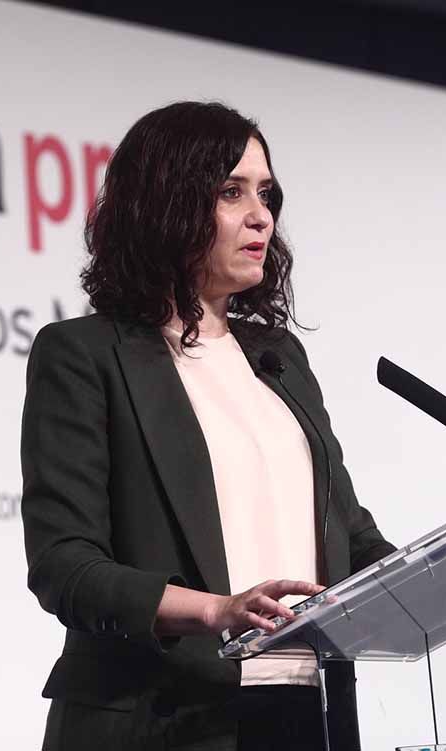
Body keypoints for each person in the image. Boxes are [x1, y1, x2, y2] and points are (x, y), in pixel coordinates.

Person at [20, 101, 396, 751]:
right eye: (231, 192)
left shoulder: (278, 358)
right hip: (160, 719)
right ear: (167, 205)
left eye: (266, 194)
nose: (261, 216)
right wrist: (215, 610)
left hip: (308, 712)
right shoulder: (85, 355)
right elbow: (65, 565)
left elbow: (349, 534)